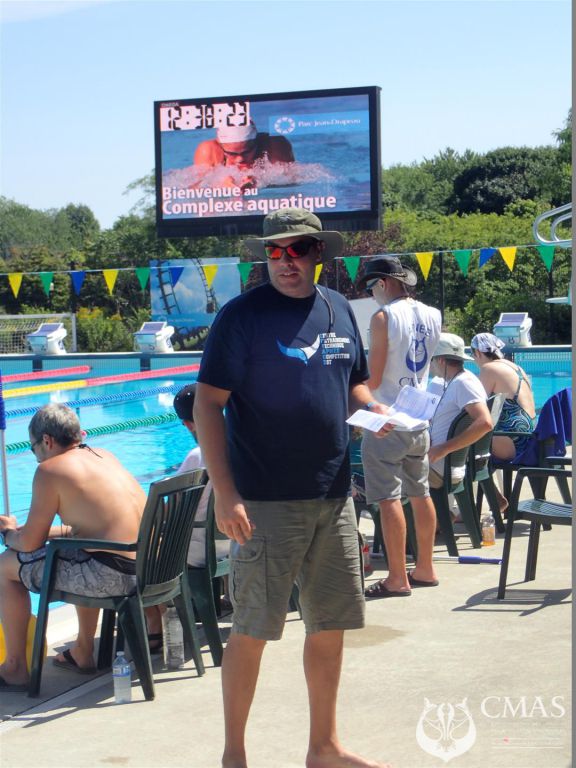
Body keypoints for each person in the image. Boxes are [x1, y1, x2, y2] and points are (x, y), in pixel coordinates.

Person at [193, 207, 391, 768]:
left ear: (317, 253)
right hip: (264, 501)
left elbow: (354, 385)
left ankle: (323, 747)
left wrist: (377, 410)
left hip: (333, 494)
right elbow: (208, 403)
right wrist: (226, 493)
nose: (285, 261)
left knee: (330, 624)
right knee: (253, 629)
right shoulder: (242, 317)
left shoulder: (339, 309)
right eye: (274, 251)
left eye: (297, 249)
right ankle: (235, 755)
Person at [0, 404, 146, 690]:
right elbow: (87, 528)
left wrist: (8, 534)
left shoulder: (50, 470)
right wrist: (31, 532)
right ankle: (82, 650)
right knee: (76, 554)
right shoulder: (104, 455)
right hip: (148, 568)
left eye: (32, 448)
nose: (35, 456)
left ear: (46, 440)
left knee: (4, 566)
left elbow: (28, 544)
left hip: (112, 576)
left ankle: (15, 667)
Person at [356, 256, 442, 599]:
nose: (370, 294)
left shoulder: (383, 317)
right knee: (421, 494)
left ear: (382, 283)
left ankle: (396, 578)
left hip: (386, 421)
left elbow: (374, 379)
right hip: (419, 419)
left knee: (388, 498)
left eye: (370, 288)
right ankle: (426, 568)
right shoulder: (433, 314)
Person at [145, 384, 230, 653]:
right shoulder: (241, 443)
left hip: (202, 552)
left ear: (186, 424)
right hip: (237, 542)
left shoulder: (198, 456)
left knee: (138, 555)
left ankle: (156, 624)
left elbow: (170, 511)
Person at [427, 333, 493, 489]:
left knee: (387, 469)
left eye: (431, 359)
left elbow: (485, 423)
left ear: (440, 360)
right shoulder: (457, 380)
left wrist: (443, 449)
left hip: (439, 468)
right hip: (442, 464)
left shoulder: (463, 383)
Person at [470, 332, 536, 460]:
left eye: (473, 355)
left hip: (513, 437)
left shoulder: (489, 368)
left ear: (478, 352)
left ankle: (475, 473)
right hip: (530, 434)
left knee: (465, 438)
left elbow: (476, 403)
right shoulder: (516, 367)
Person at [193, 120, 294, 191]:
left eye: (246, 152)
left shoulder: (274, 145)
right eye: (232, 154)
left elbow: (292, 181)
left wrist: (260, 182)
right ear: (220, 145)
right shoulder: (209, 150)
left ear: (256, 142)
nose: (240, 159)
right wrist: (219, 185)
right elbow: (195, 190)